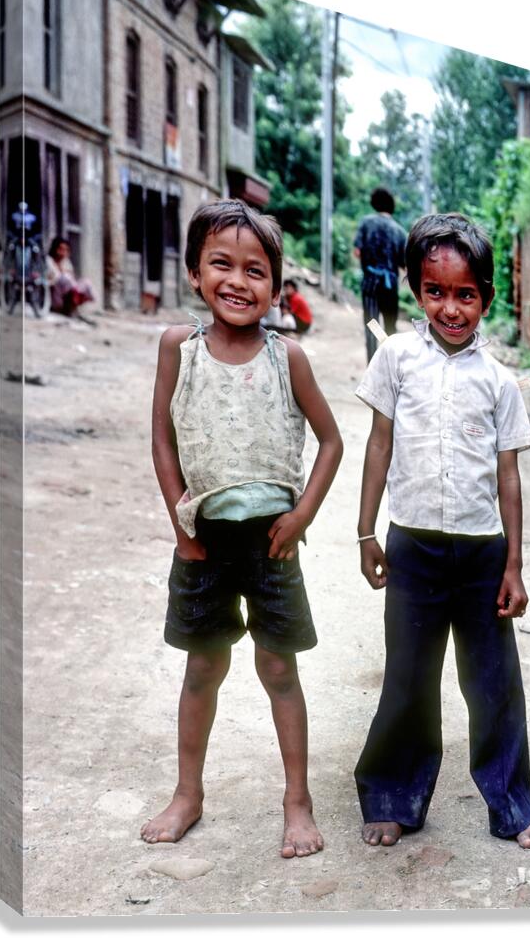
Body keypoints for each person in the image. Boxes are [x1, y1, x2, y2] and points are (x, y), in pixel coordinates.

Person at [142, 199, 343, 858]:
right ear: (194, 274)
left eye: (255, 269)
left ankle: (297, 800)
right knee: (203, 664)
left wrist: (301, 512)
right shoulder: (179, 348)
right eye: (220, 264)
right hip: (200, 540)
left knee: (278, 666)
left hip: (271, 540)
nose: (237, 280)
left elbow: (332, 441)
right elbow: (163, 438)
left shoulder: (288, 358)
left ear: (277, 284)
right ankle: (187, 793)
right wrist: (178, 517)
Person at [353, 212, 530, 851]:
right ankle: (392, 795)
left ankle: (511, 803)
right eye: (436, 291)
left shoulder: (499, 382)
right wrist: (365, 532)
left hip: (482, 551)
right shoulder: (397, 357)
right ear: (414, 288)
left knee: (493, 684)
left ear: (487, 298)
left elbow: (510, 479)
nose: (451, 308)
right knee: (408, 679)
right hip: (412, 544)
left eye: (466, 294)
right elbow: (379, 446)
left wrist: (514, 565)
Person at [354, 187, 406, 361]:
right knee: (391, 327)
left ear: (374, 203)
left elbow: (357, 252)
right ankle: (391, 364)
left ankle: (373, 367)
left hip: (370, 282)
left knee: (372, 325)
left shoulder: (366, 223)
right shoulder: (399, 231)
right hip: (390, 284)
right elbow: (404, 264)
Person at [46, 236, 95, 316]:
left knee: (86, 282)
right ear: (55, 249)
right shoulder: (48, 261)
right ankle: (61, 308)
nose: (63, 252)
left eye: (66, 250)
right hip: (54, 295)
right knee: (65, 278)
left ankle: (72, 307)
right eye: (61, 249)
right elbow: (49, 281)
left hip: (68, 295)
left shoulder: (66, 263)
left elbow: (72, 279)